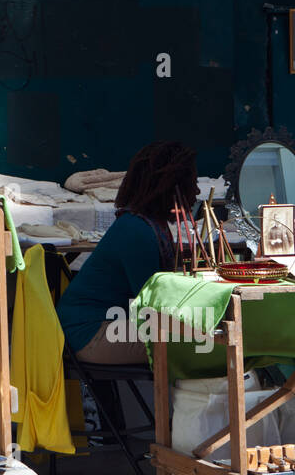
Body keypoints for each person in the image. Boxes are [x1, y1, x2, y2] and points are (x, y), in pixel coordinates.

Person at [55, 141, 199, 365]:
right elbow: (153, 306)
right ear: (172, 187)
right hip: (91, 332)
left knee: (200, 334)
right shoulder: (137, 231)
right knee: (203, 344)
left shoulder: (148, 224)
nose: (197, 191)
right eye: (193, 183)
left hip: (109, 323)